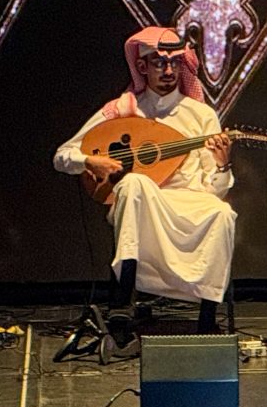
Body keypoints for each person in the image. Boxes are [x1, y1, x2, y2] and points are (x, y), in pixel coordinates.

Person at [54, 27, 234, 346]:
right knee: (136, 182)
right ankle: (121, 305)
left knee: (221, 212)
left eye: (174, 63)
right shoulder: (124, 111)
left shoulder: (202, 115)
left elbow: (214, 189)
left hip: (189, 203)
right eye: (158, 64)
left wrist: (222, 164)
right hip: (140, 203)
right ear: (143, 68)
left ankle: (207, 319)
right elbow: (62, 155)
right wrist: (90, 162)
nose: (167, 71)